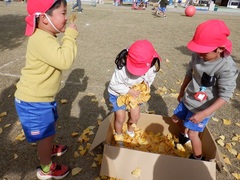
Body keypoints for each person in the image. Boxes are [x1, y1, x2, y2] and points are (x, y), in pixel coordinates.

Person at [14, 0, 78, 179]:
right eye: (63, 13)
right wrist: (70, 37)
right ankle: (45, 168)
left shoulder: (45, 36)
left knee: (49, 129)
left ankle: (48, 146)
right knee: (46, 135)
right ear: (44, 18)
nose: (66, 18)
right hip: (33, 101)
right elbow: (64, 60)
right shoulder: (41, 39)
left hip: (42, 98)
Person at [171, 20, 239, 160]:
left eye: (204, 52)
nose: (199, 54)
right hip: (188, 99)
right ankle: (184, 137)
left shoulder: (226, 67)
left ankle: (197, 157)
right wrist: (182, 90)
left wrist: (204, 114)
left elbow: (225, 95)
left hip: (203, 108)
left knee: (193, 134)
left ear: (219, 49)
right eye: (198, 50)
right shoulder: (198, 54)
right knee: (176, 119)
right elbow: (190, 73)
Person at [108, 40, 161, 144]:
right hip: (118, 94)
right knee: (120, 117)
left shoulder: (151, 68)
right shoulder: (122, 68)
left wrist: (146, 85)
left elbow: (149, 80)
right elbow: (114, 85)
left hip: (134, 94)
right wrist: (128, 91)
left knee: (136, 116)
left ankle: (130, 132)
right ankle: (119, 136)